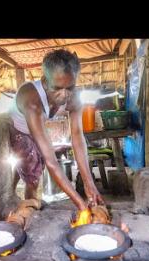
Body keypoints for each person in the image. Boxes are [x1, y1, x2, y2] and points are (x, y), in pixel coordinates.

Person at [8, 49, 104, 210]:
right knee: (33, 174)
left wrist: (89, 184)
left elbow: (77, 138)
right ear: (45, 81)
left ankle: (11, 193)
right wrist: (81, 204)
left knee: (29, 164)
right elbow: (51, 162)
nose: (64, 94)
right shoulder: (31, 99)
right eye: (57, 88)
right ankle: (27, 206)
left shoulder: (73, 97)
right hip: (18, 130)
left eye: (70, 87)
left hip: (37, 127)